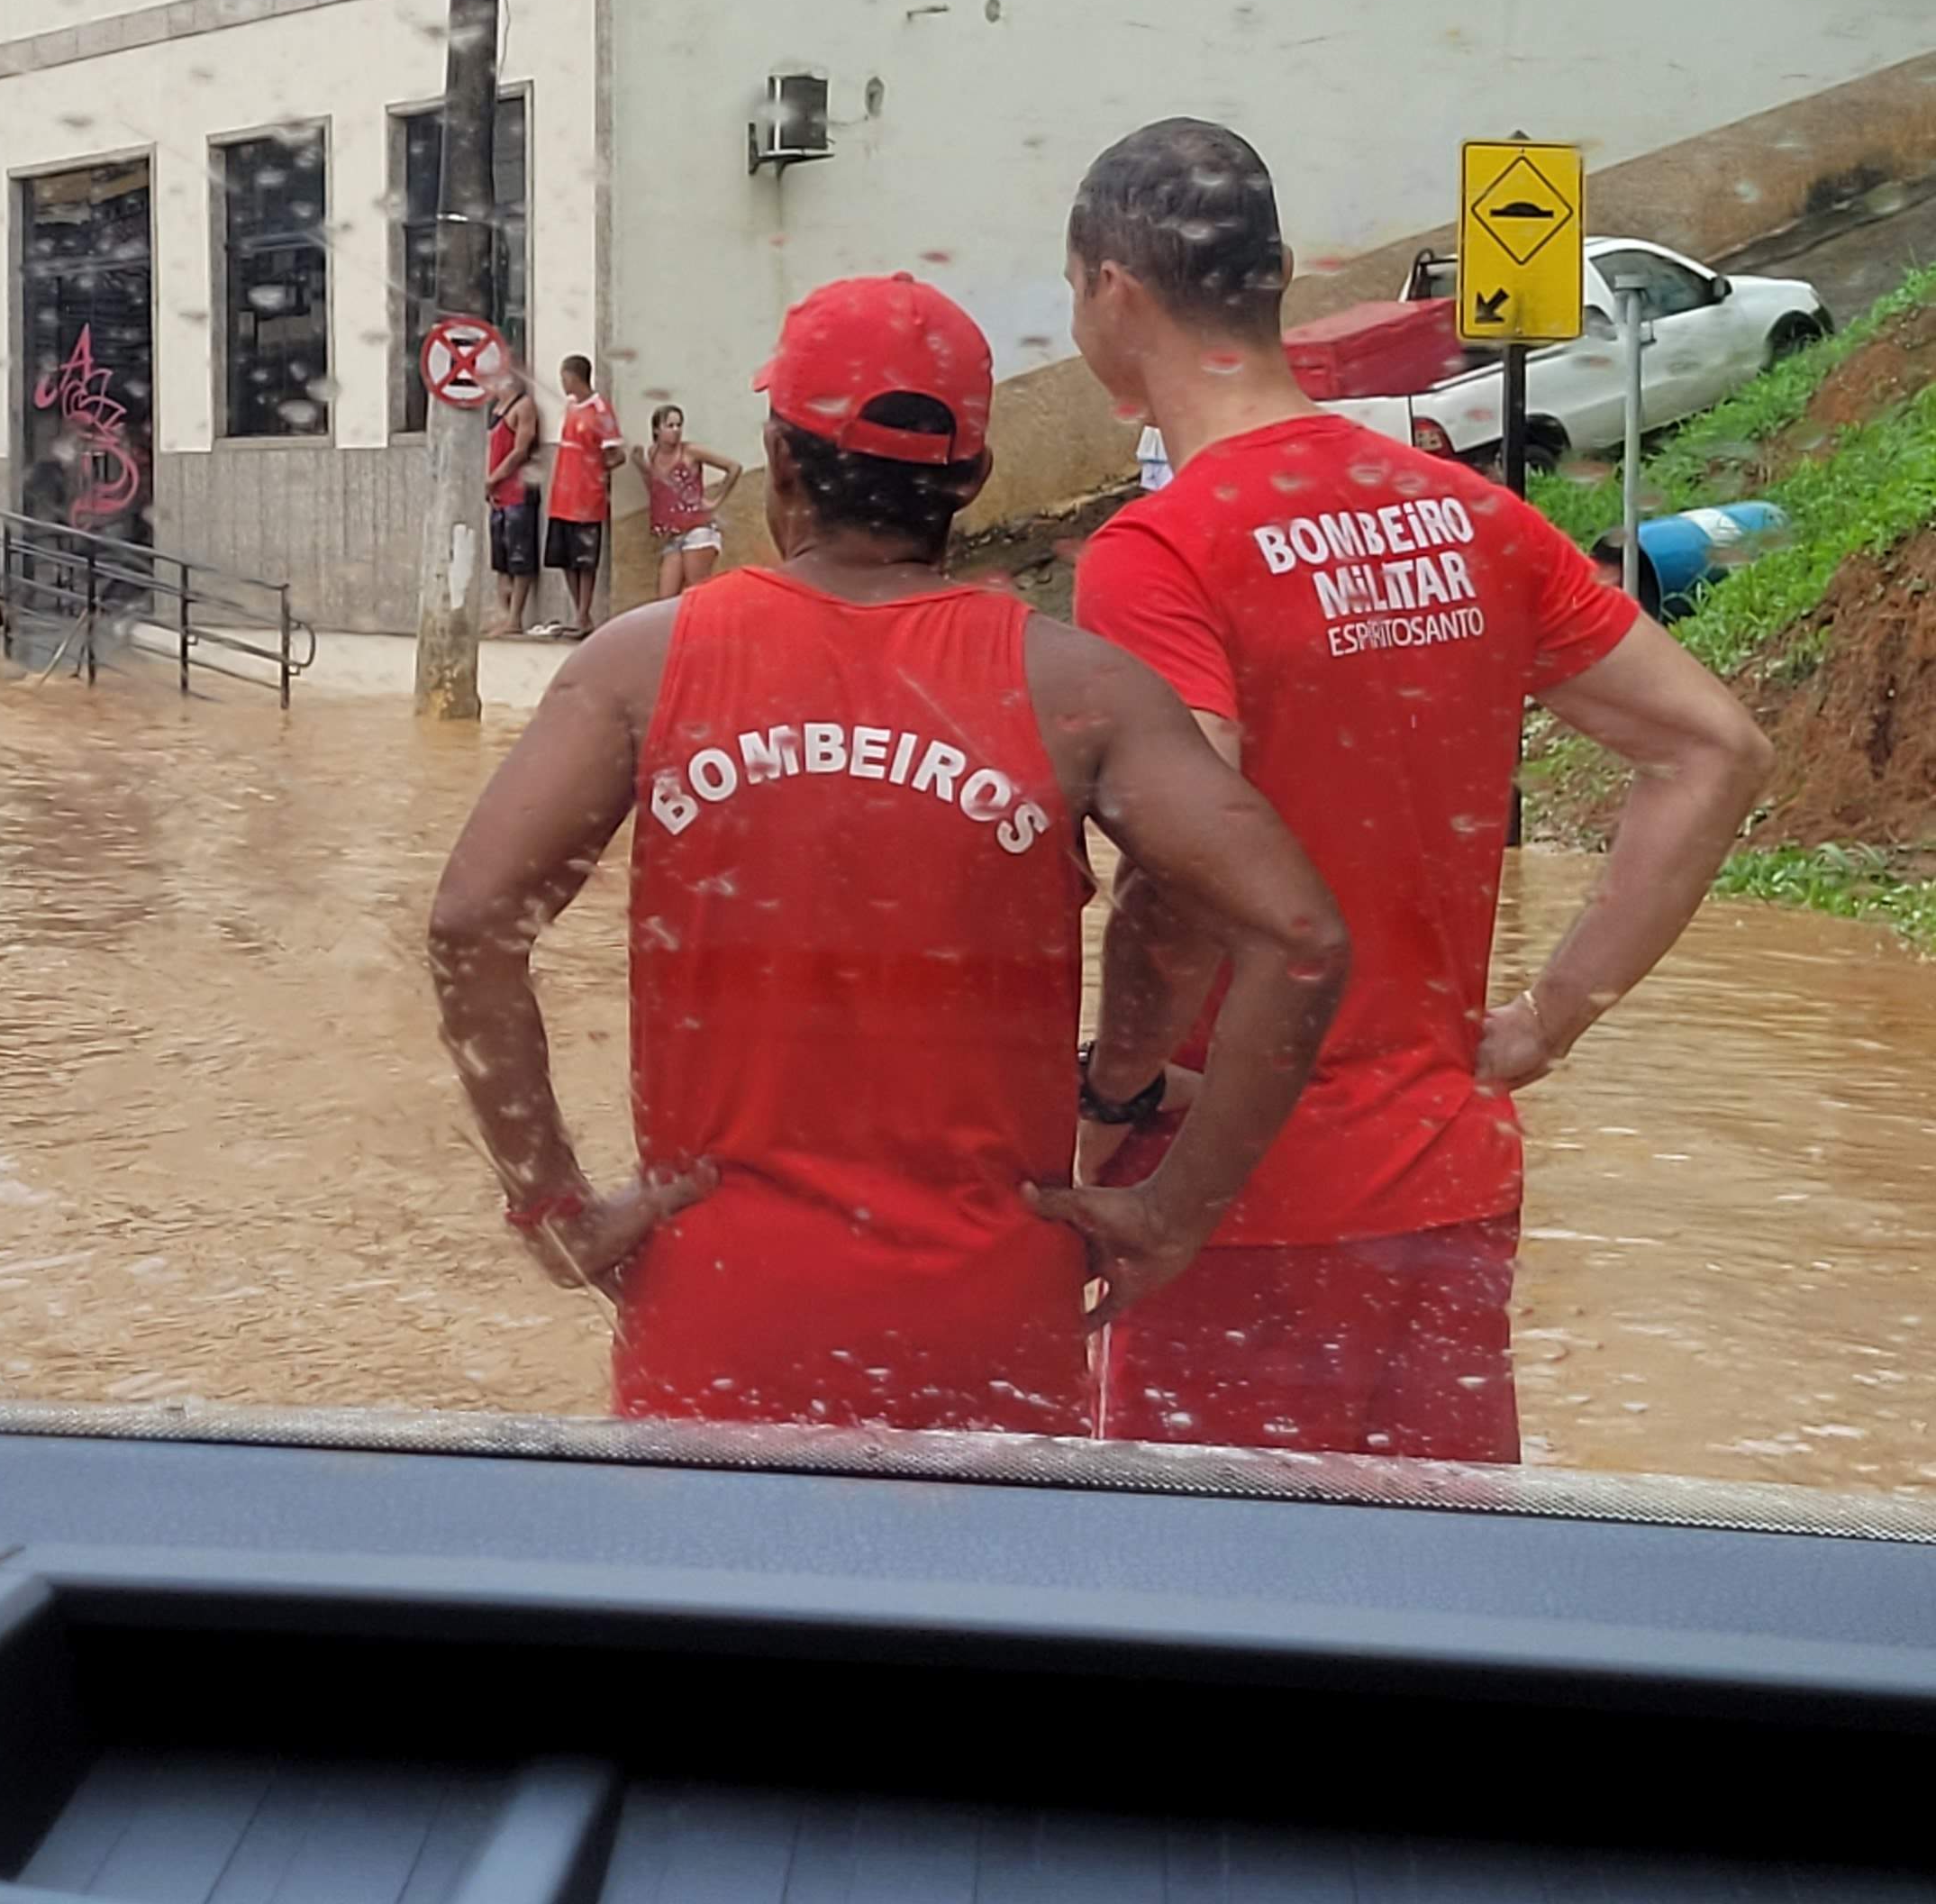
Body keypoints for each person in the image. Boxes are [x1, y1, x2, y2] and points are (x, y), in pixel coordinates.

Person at [428, 274, 1351, 1436]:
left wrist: (551, 1205)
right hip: (993, 1330)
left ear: (778, 458)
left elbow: (472, 927)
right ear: (970, 479)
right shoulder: (1079, 689)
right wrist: (1176, 1208)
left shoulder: (640, 666)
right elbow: (1300, 938)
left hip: (718, 1314)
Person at [1064, 118, 1772, 1464]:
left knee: (1215, 1611)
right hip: (1447, 1183)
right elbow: (1714, 751)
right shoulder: (1470, 515)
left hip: (1236, 1195)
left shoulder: (1160, 553)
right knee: (1434, 1609)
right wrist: (1551, 1018)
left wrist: (1113, 1093)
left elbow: (1190, 877)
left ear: (1114, 291)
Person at [540, 355, 625, 636]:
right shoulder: (571, 406)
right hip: (563, 495)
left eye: (564, 377)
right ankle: (580, 614)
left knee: (585, 560)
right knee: (564, 558)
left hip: (587, 497)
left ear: (575, 377)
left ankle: (583, 613)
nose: (562, 383)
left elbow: (616, 455)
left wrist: (593, 469)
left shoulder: (600, 410)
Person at [640, 404, 746, 598]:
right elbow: (657, 487)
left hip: (698, 530)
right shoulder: (652, 454)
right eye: (670, 426)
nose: (676, 431)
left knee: (697, 590)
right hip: (672, 534)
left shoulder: (690, 452)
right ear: (657, 429)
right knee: (666, 597)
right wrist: (640, 466)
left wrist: (716, 500)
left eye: (678, 425)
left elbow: (734, 467)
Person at [486, 372, 546, 636]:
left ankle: (515, 617)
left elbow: (519, 451)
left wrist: (495, 477)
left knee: (520, 557)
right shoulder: (497, 409)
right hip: (498, 494)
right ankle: (503, 614)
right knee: (501, 560)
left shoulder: (523, 408)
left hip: (518, 490)